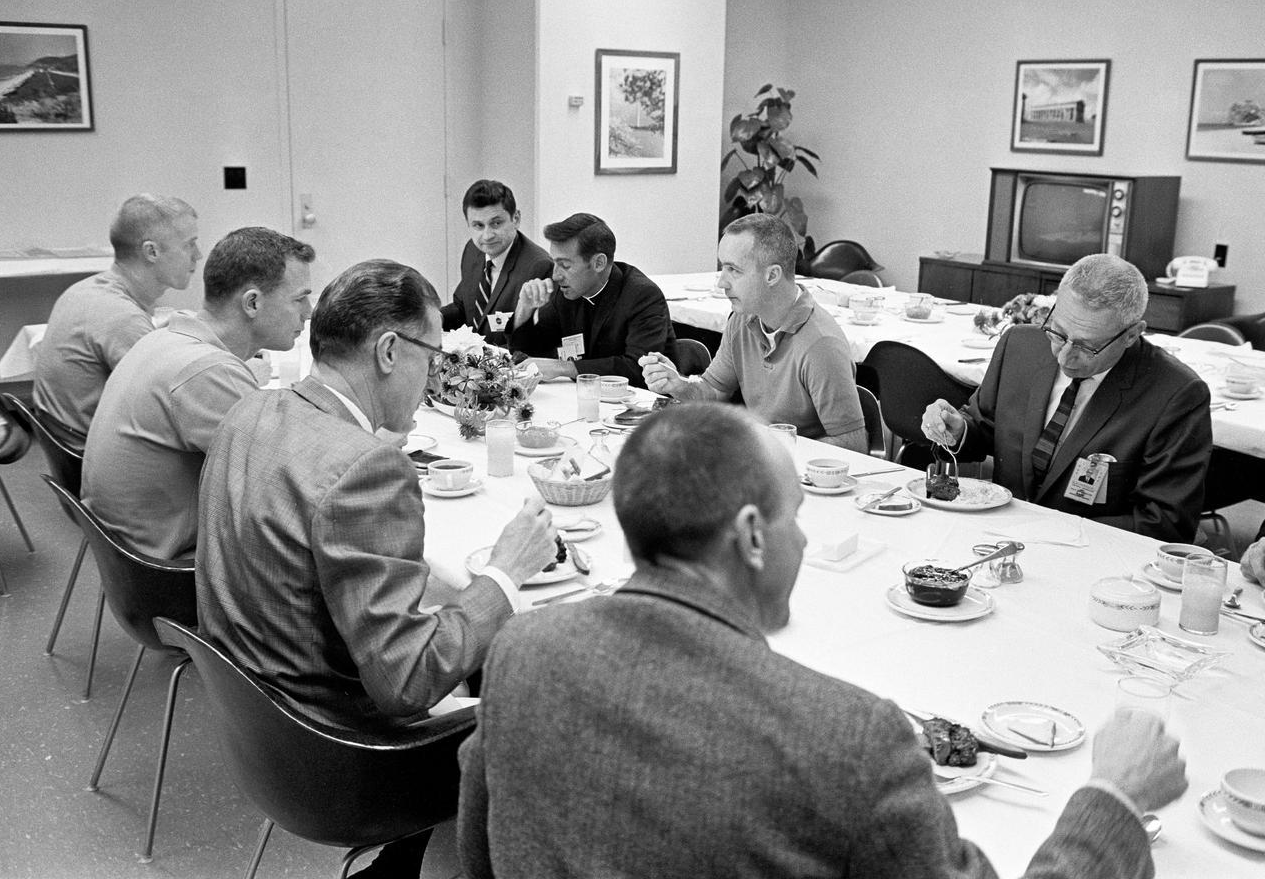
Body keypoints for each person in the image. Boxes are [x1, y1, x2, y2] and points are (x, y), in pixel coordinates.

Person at [457, 402, 1188, 879]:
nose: (803, 539)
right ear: (749, 534)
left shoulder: (522, 650)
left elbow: (480, 846)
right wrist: (1113, 799)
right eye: (795, 517)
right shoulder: (849, 740)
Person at [197, 259, 556, 879]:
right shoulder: (366, 468)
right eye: (432, 358)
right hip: (348, 753)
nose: (433, 376)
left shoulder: (250, 411)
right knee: (545, 696)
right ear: (389, 351)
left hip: (266, 726)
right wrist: (506, 574)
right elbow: (410, 680)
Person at [920, 254, 1212, 543]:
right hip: (999, 540)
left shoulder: (1175, 394)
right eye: (1058, 332)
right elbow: (985, 427)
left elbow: (1166, 524)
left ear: (1131, 334)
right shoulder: (1020, 345)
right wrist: (959, 429)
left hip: (1096, 562)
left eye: (1088, 346)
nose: (1064, 355)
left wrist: (1054, 531)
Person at [81, 227, 314, 560]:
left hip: (125, 556)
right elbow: (292, 485)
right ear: (252, 303)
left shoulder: (166, 337)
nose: (307, 312)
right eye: (299, 298)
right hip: (170, 571)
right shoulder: (207, 371)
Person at [640, 213, 866, 450]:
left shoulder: (820, 344)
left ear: (772, 275)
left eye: (733, 270)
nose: (721, 282)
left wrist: (773, 450)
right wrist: (679, 386)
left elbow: (854, 444)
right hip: (761, 459)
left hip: (799, 473)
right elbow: (714, 391)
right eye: (722, 267)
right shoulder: (743, 318)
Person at [33, 194, 201, 436]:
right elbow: (179, 409)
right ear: (151, 251)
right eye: (189, 244)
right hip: (101, 458)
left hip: (72, 444)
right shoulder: (122, 318)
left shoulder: (84, 290)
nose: (198, 254)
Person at [507, 212, 677, 387]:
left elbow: (639, 368)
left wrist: (566, 367)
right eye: (554, 263)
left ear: (599, 263)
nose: (555, 275)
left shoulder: (642, 296)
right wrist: (524, 309)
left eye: (564, 265)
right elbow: (530, 357)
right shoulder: (565, 292)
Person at [440, 179, 553, 345]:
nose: (487, 235)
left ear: (516, 219)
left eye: (496, 223)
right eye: (478, 225)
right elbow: (463, 308)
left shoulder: (539, 266)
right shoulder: (472, 250)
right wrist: (435, 318)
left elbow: (538, 343)